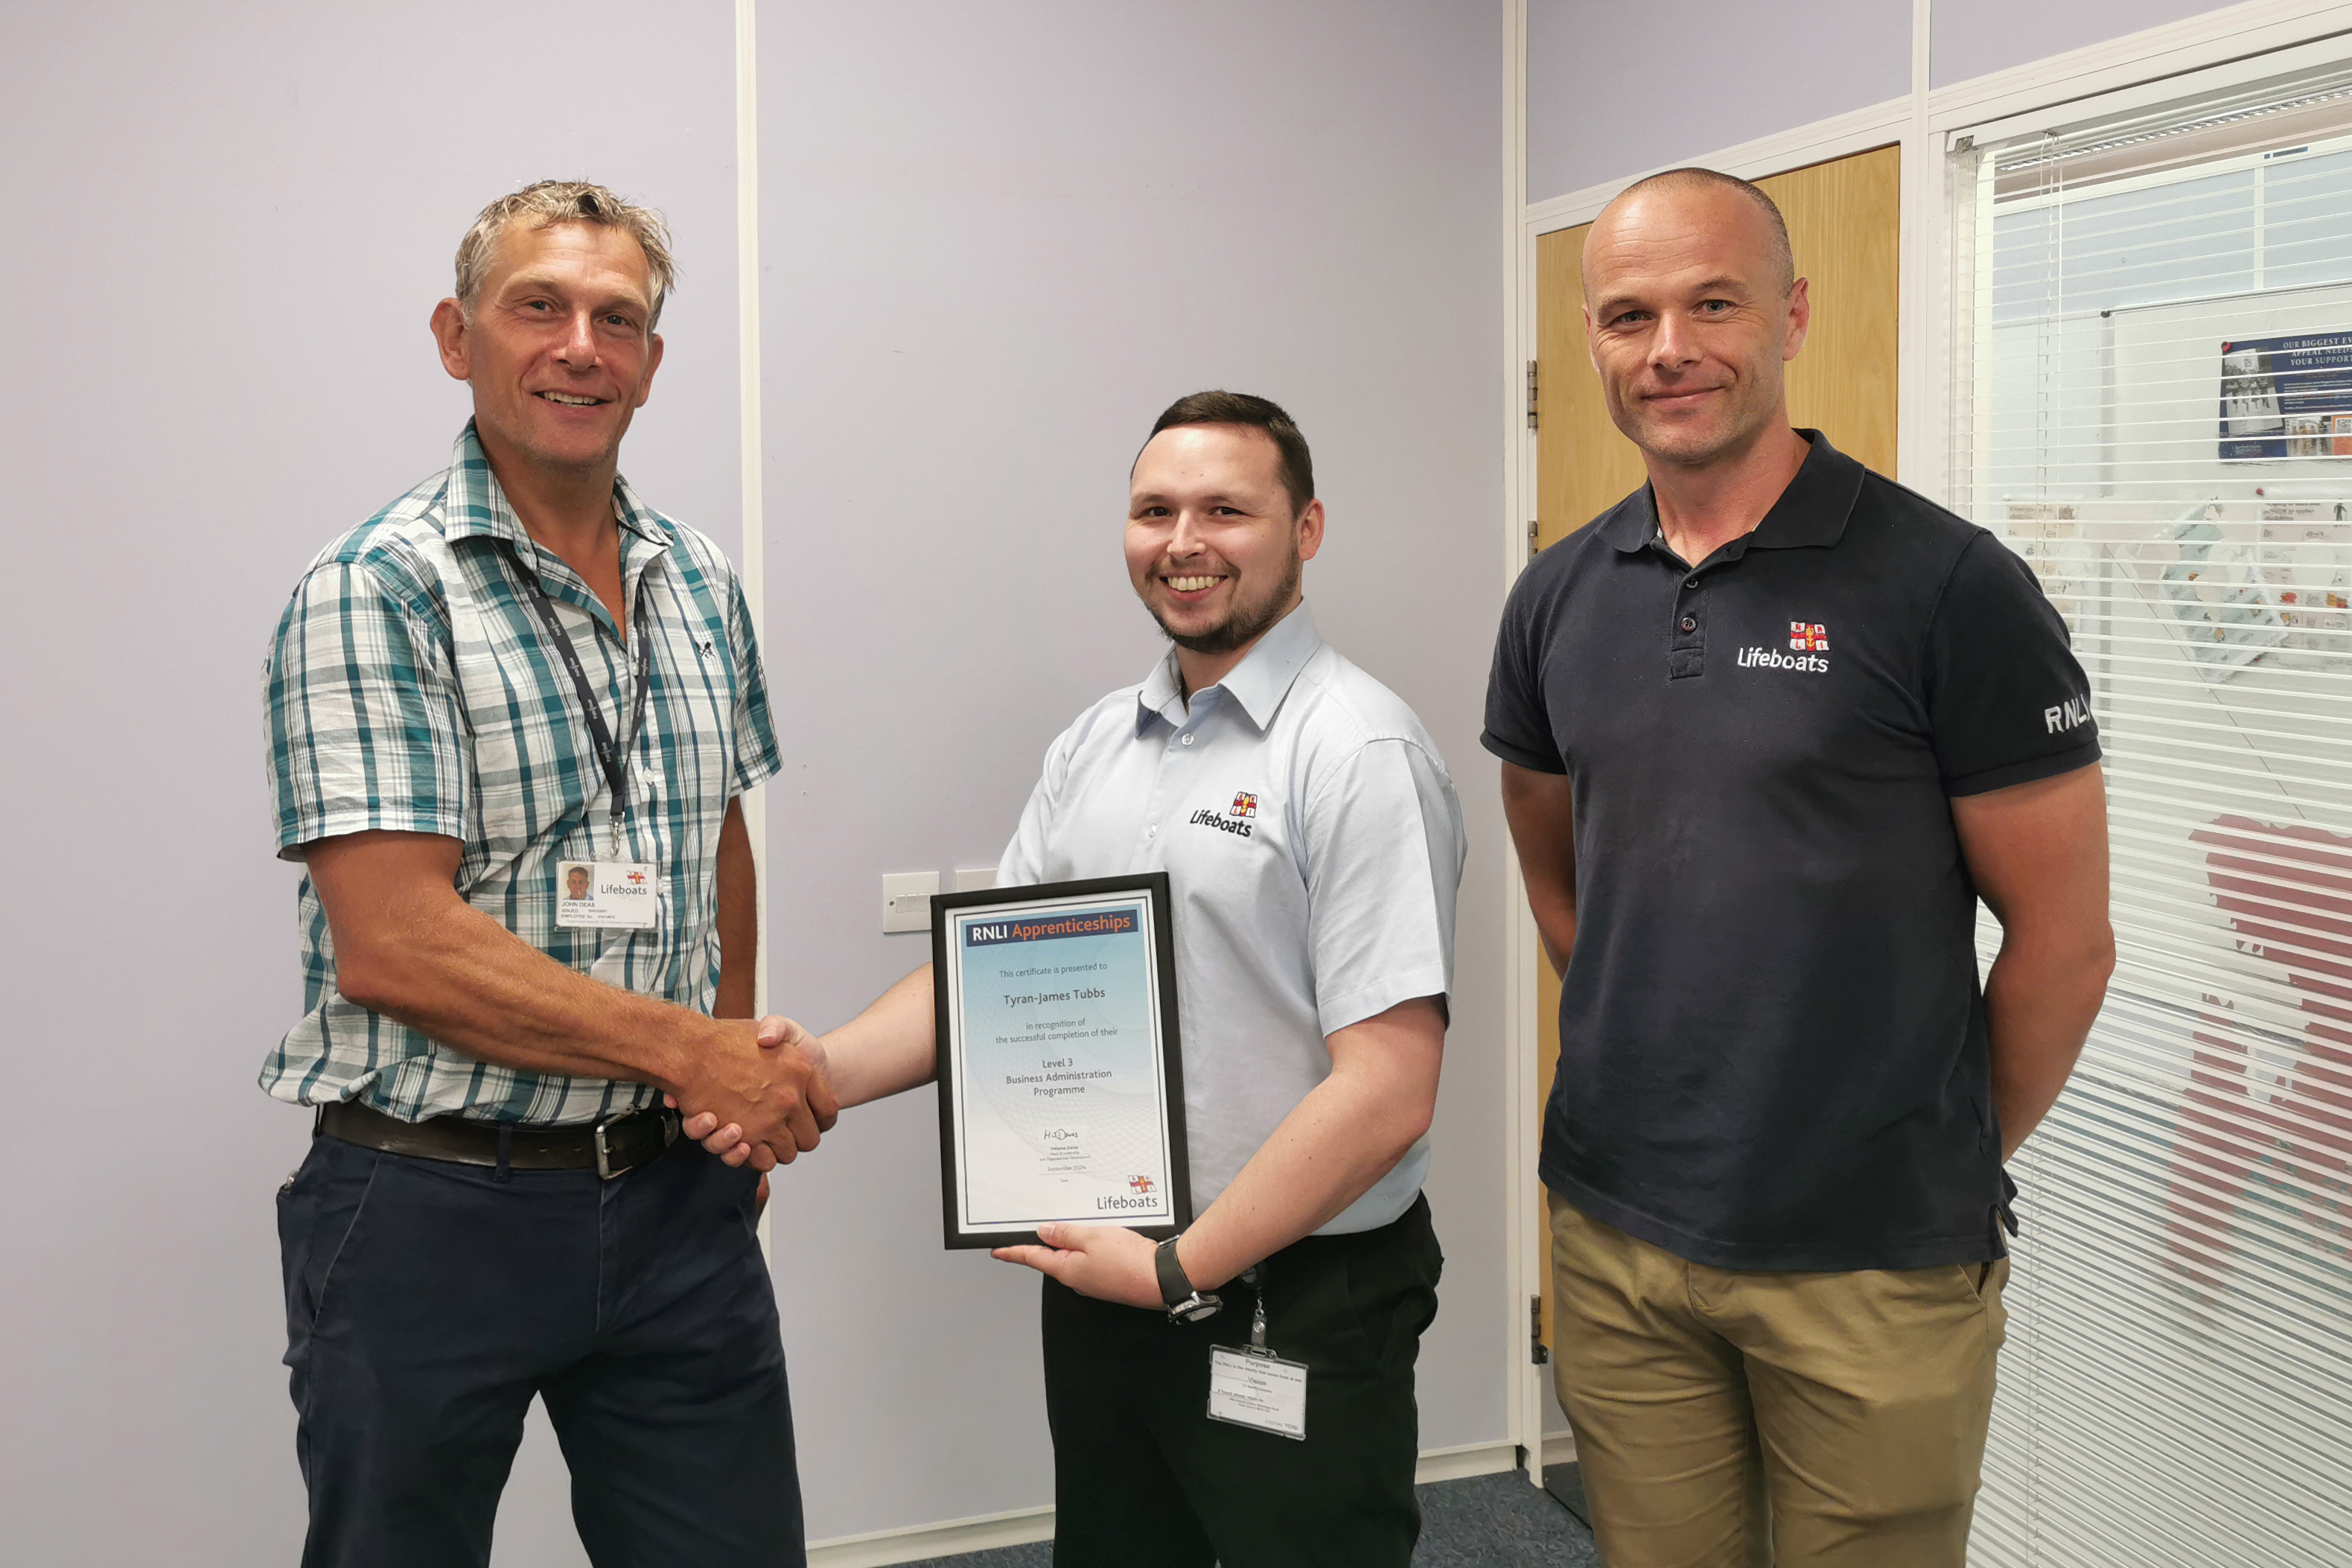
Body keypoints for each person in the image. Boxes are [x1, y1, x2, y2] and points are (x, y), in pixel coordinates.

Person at [688, 392, 1464, 1567]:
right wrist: (815, 1071)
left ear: (1306, 529)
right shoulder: (1101, 741)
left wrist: (1177, 1271)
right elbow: (998, 978)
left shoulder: (1357, 752)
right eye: (1156, 509)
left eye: (1226, 509)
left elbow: (1391, 1086)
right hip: (1109, 1268)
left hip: (1288, 1294)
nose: (1184, 541)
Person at [1482, 168, 2115, 1567]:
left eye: (1714, 303)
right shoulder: (1558, 597)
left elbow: (2066, 943)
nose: (1671, 350)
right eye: (1629, 315)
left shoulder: (1951, 588)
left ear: (1793, 313)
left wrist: (1918, 1148)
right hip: (1621, 1241)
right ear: (1590, 340)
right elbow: (1561, 873)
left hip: (1874, 1260)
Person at [261, 179, 834, 1568]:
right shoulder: (379, 586)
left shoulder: (697, 575)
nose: (582, 344)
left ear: (649, 361)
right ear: (459, 338)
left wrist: (730, 1090)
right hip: (434, 1202)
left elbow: (717, 838)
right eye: (540, 307)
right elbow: (396, 942)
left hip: (672, 1198)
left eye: (618, 318)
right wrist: (707, 1055)